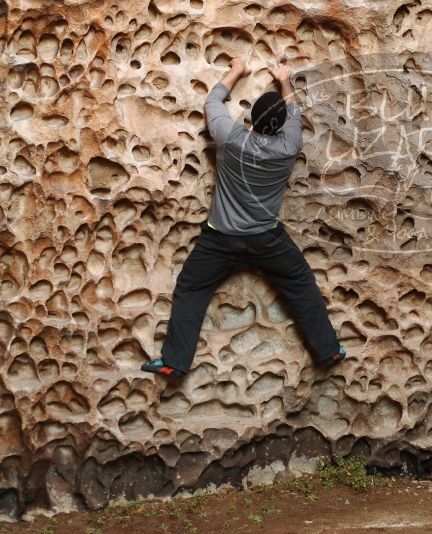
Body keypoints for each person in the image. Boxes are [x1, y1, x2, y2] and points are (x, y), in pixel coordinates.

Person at [141, 57, 346, 378]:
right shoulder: (289, 144)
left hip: (220, 237)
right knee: (301, 285)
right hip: (267, 239)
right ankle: (329, 350)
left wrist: (237, 69)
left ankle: (174, 361)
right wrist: (284, 79)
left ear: (250, 117)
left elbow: (213, 101)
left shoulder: (231, 137)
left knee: (192, 289)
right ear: (280, 125)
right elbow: (293, 111)